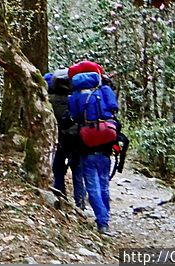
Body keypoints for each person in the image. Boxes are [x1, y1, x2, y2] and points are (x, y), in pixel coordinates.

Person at [68, 64, 119, 236]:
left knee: (92, 185)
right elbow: (114, 108)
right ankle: (105, 219)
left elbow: (74, 116)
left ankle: (102, 221)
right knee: (104, 182)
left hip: (86, 143)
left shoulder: (74, 95)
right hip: (105, 142)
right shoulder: (104, 90)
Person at [45, 69, 86, 209]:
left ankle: (60, 198)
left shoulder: (48, 100)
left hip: (58, 139)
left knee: (58, 170)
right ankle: (80, 204)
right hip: (75, 139)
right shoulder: (75, 98)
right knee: (77, 171)